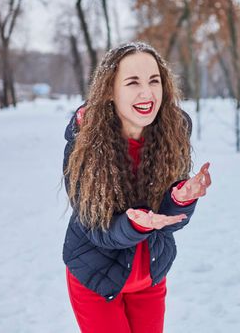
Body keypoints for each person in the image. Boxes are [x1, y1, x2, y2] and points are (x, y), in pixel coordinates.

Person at [62, 41, 212, 333]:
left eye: (154, 81)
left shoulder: (172, 134)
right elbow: (96, 229)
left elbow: (166, 222)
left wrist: (181, 199)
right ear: (109, 90)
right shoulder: (84, 145)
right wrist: (136, 225)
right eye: (133, 82)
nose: (147, 93)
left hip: (150, 277)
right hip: (96, 277)